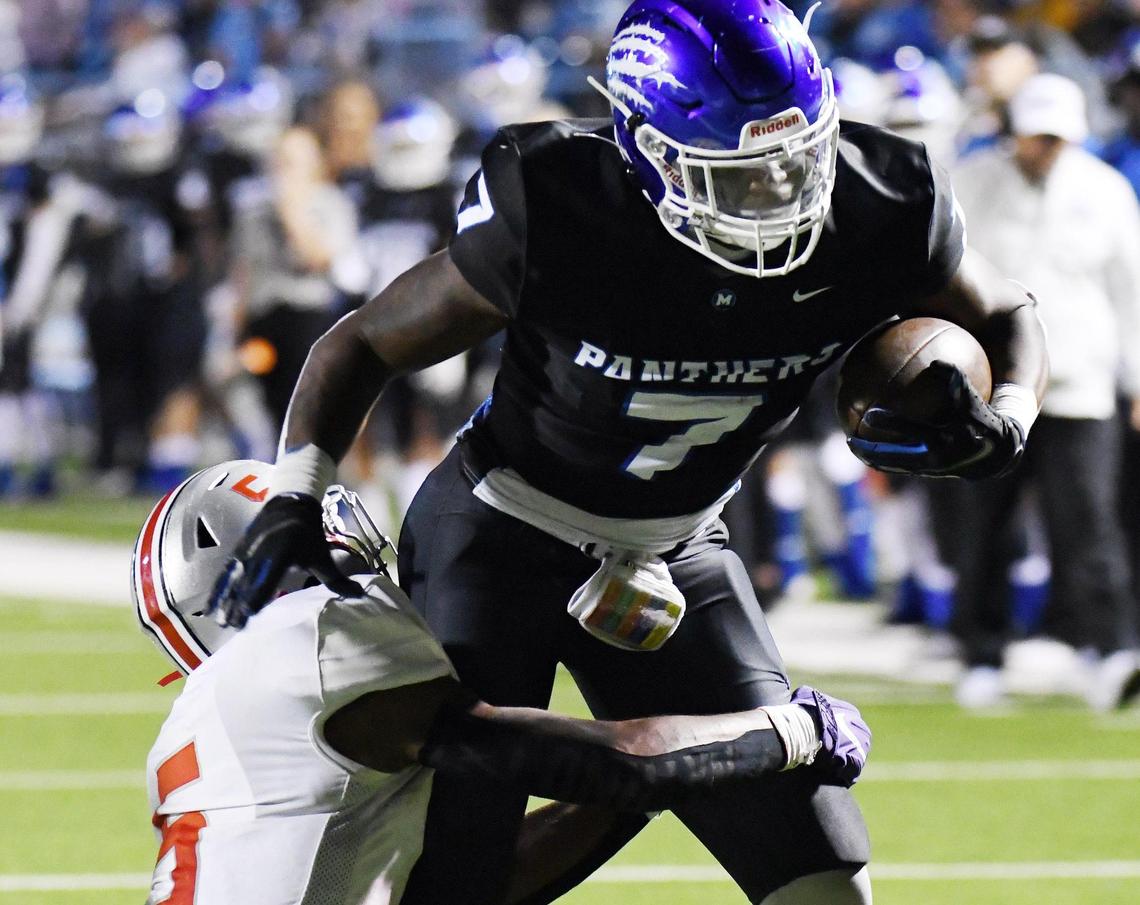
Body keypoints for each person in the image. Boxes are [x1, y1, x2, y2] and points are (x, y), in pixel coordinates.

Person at [208, 2, 1049, 903]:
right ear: (645, 151)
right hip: (500, 535)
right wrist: (298, 491)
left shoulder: (882, 196)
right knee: (457, 871)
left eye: (794, 159)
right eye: (740, 174)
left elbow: (1008, 311)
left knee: (824, 877)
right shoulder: (561, 202)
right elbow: (364, 341)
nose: (778, 194)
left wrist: (1010, 412)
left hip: (682, 544)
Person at [136, 459, 870, 905]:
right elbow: (603, 758)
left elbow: (470, 889)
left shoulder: (223, 723)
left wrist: (643, 791)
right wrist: (794, 732)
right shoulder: (316, 637)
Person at [930, 72, 1140, 710]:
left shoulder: (1103, 190)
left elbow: (1130, 291)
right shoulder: (971, 182)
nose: (1044, 147)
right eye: (1035, 135)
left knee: (1088, 524)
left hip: (1080, 382)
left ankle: (1107, 651)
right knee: (986, 522)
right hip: (994, 385)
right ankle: (982, 654)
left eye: (1055, 137)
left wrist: (1136, 379)